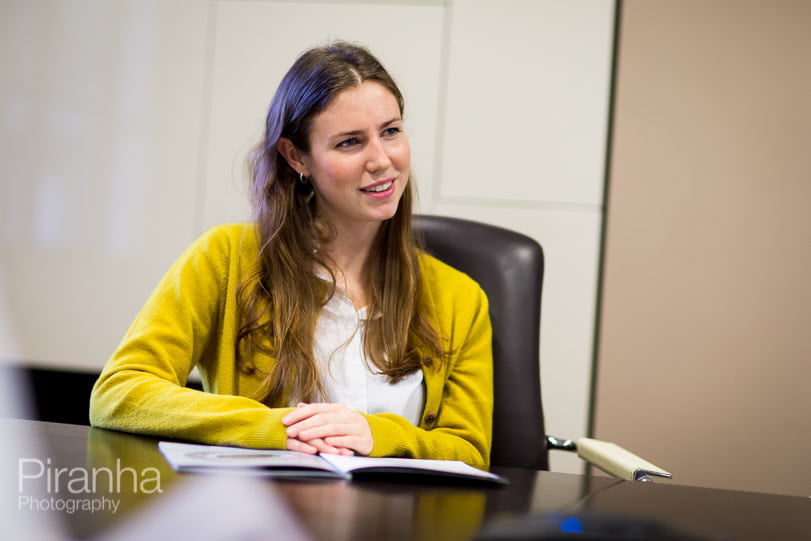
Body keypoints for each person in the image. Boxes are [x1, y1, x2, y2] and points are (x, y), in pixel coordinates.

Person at [89, 41, 493, 469]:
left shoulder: (460, 299)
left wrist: (376, 435)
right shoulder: (224, 257)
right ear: (297, 156)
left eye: (391, 131)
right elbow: (119, 393)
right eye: (350, 142)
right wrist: (279, 429)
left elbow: (469, 449)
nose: (381, 160)